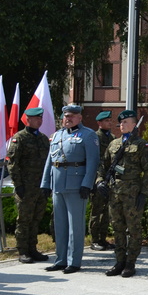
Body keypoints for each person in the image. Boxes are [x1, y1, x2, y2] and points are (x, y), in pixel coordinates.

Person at [41, 104, 100, 274]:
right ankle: (60, 260)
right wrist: (45, 183)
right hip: (58, 185)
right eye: (66, 115)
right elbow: (50, 162)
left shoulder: (88, 135)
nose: (68, 118)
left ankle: (74, 262)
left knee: (76, 226)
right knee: (60, 225)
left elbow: (92, 162)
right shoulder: (57, 136)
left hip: (76, 186)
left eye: (72, 116)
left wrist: (87, 184)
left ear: (80, 118)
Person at [96, 110, 148, 278]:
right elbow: (103, 165)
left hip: (132, 194)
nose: (122, 125)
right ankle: (119, 261)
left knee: (134, 229)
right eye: (120, 123)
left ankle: (130, 263)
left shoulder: (142, 145)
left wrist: (143, 193)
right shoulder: (114, 144)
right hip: (114, 193)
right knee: (117, 228)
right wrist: (99, 181)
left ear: (134, 124)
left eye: (126, 122)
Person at [5, 107, 50, 264]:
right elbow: (12, 163)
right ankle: (23, 251)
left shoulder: (44, 139)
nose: (39, 120)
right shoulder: (20, 138)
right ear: (28, 120)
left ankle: (33, 249)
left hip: (40, 187)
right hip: (26, 187)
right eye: (36, 118)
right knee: (24, 220)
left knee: (36, 219)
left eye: (40, 118)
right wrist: (18, 185)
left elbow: (48, 163)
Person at [89, 110, 116, 250]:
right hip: (97, 179)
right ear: (99, 123)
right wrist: (96, 180)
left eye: (110, 120)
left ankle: (103, 238)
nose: (109, 122)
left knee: (106, 211)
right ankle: (94, 239)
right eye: (106, 121)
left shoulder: (112, 137)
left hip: (109, 178)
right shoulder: (95, 137)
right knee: (97, 210)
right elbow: (94, 160)